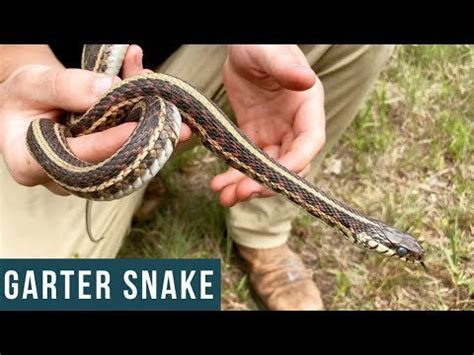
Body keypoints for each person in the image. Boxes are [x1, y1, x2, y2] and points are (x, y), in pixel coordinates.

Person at [0, 44, 394, 310]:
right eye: (395, 250)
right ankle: (133, 170)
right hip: (48, 103)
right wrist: (17, 72)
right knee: (25, 289)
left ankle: (263, 234)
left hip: (183, 73)